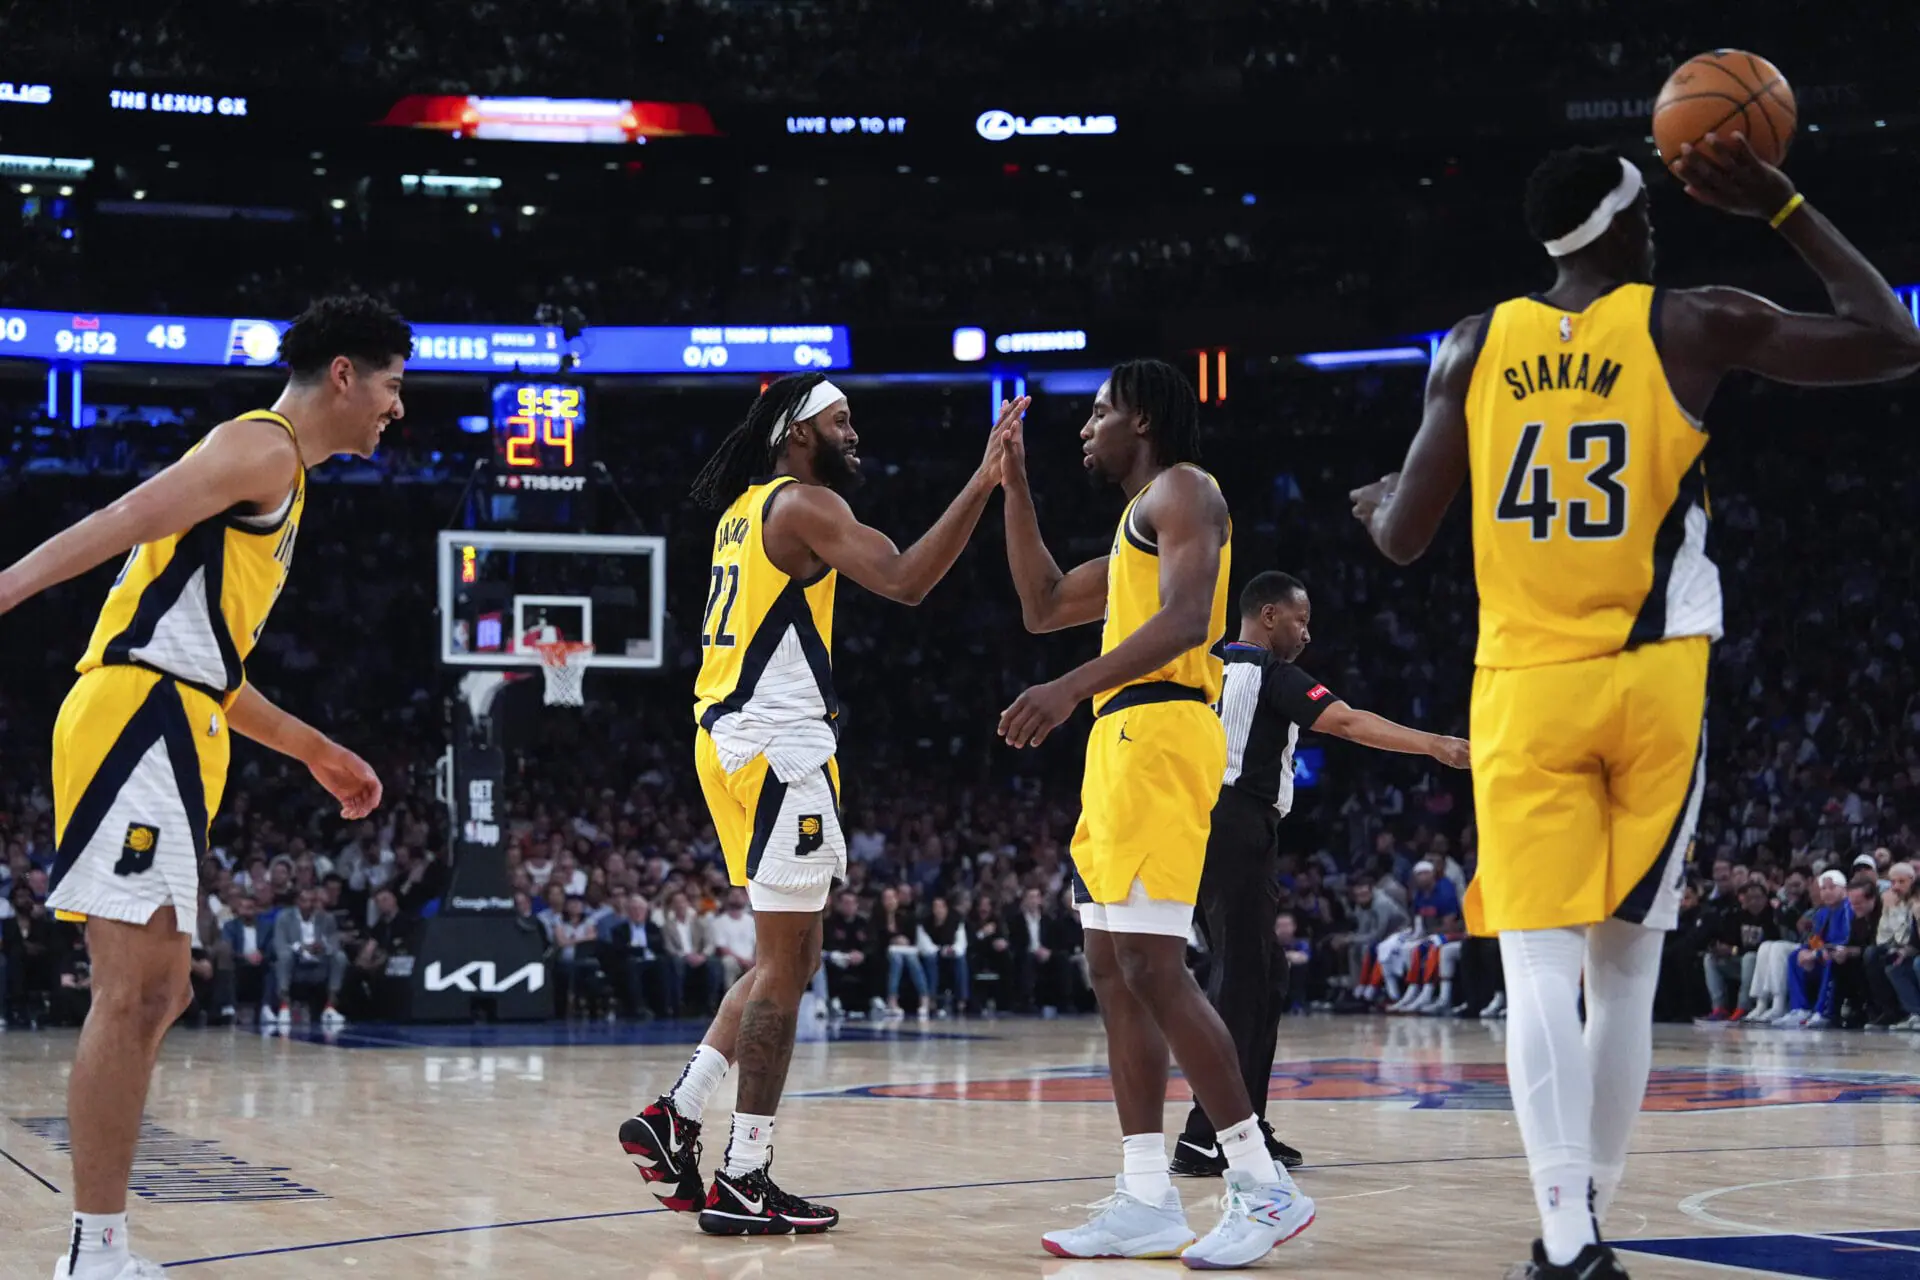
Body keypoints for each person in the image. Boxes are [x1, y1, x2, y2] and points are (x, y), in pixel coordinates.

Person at [1350, 137, 1920, 1278]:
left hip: (1523, 686)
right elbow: (1892, 340)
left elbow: (1406, 537)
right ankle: (1588, 1214)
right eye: (1644, 212)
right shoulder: (1690, 320)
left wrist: (1373, 504)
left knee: (1539, 969)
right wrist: (1786, 204)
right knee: (1625, 971)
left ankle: (1567, 1231)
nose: (1654, 227)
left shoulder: (1471, 346)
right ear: (1616, 228)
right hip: (1655, 677)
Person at [0, 296, 402, 1280]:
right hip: (139, 714)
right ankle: (94, 1249)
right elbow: (124, 514)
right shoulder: (260, 445)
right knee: (135, 988)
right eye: (392, 386)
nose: (398, 409)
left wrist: (314, 747)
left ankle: (101, 1242)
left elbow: (212, 663)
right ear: (343, 373)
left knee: (163, 985)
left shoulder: (282, 482)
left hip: (182, 717)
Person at [618, 374, 1026, 1236]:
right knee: (784, 972)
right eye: (841, 422)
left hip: (729, 739)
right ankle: (744, 1174)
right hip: (779, 749)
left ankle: (677, 1114)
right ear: (798, 433)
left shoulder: (745, 510)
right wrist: (985, 481)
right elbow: (910, 580)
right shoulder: (803, 504)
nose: (855, 435)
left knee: (785, 962)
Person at [999, 359, 1312, 1267]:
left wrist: (1066, 688)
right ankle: (1145, 1195)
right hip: (1117, 740)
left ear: (1141, 417)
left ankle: (1261, 1183)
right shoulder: (1137, 524)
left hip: (1161, 732)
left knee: (1152, 963)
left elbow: (1182, 623)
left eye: (1100, 411)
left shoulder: (1185, 490)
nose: (1087, 426)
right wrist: (1013, 488)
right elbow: (1043, 604)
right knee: (1112, 965)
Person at [1172, 570, 1468, 1178]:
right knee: (1240, 982)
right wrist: (1436, 745)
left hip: (1206, 823)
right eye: (1301, 620)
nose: (1308, 634)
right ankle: (1207, 1134)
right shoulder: (1271, 674)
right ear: (1270, 615)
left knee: (1264, 976)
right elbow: (1350, 723)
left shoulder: (1205, 668)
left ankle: (1242, 1126)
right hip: (1235, 822)